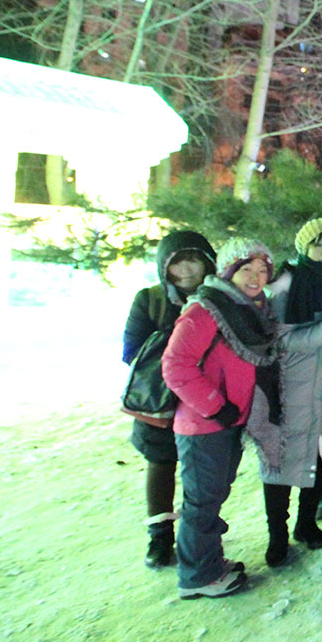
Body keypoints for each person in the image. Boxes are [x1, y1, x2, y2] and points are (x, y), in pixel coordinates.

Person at [161, 237, 280, 599]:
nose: (256, 277)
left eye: (263, 270)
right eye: (246, 269)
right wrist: (215, 405)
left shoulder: (248, 309)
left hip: (229, 422)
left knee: (211, 497)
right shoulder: (206, 309)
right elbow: (175, 366)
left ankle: (208, 563)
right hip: (203, 424)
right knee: (202, 500)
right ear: (228, 271)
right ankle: (197, 576)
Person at [250, 218, 322, 566]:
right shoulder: (286, 284)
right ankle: (277, 536)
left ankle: (306, 524)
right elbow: (279, 339)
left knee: (318, 455)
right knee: (279, 461)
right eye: (319, 244)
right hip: (290, 385)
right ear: (304, 247)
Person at [122, 230, 216, 570]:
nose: (187, 269)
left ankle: (197, 531)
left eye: (194, 260)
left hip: (204, 397)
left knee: (203, 469)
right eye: (178, 262)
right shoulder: (150, 299)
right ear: (165, 267)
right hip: (160, 400)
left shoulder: (222, 296)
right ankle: (159, 535)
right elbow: (131, 349)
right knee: (161, 463)